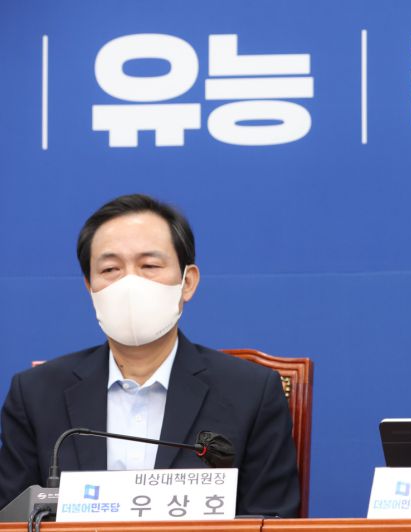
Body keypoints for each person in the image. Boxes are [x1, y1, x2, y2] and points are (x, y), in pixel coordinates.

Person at [0, 194, 300, 517]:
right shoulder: (36, 396)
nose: (130, 283)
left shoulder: (251, 394)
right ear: (90, 287)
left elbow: (272, 520)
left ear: (188, 282)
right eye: (110, 269)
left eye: (149, 266)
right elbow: (10, 518)